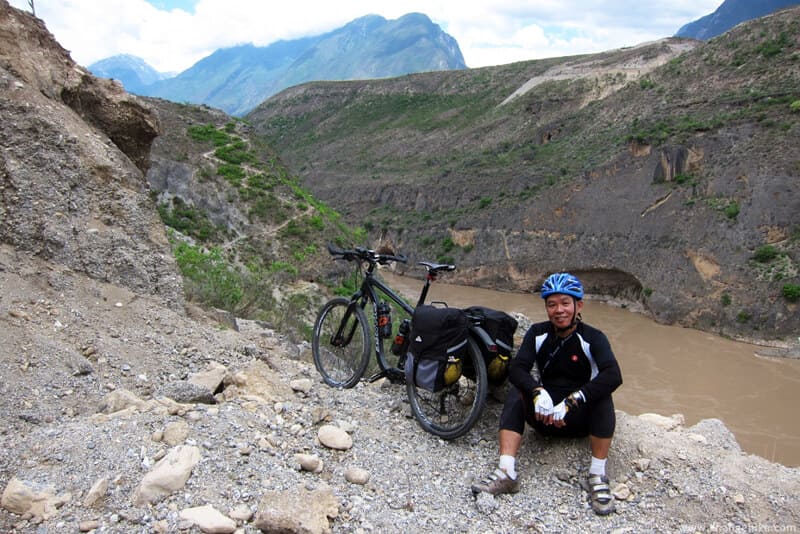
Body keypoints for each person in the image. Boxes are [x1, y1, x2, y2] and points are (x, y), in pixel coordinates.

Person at [471, 272, 623, 516]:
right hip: (543, 416)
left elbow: (613, 375)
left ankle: (597, 475)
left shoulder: (593, 337)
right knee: (516, 392)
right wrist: (536, 392)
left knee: (604, 397)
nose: (559, 310)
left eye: (565, 303)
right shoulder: (538, 333)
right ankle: (507, 471)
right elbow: (518, 369)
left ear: (578, 305)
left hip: (577, 418)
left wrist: (573, 401)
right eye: (552, 304)